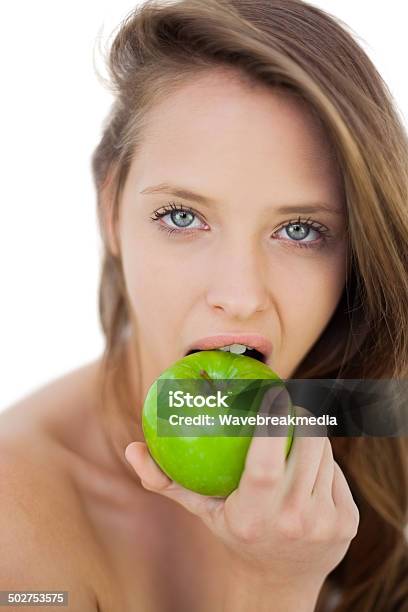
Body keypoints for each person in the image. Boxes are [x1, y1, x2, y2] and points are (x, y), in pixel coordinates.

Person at [1, 0, 407, 610]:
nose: (240, 297)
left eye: (300, 230)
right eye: (182, 216)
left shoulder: (372, 413)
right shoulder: (16, 530)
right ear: (110, 211)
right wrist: (276, 588)